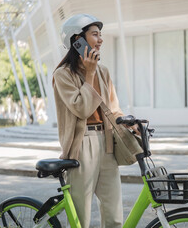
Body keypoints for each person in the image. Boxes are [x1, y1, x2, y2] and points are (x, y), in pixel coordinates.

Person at [52, 14, 138, 228]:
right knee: (82, 218)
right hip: (82, 145)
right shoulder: (63, 75)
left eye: (101, 35)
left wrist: (127, 122)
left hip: (107, 143)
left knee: (115, 216)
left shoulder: (103, 71)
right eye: (95, 34)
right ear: (77, 40)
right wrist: (89, 74)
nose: (100, 40)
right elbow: (81, 108)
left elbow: (113, 109)